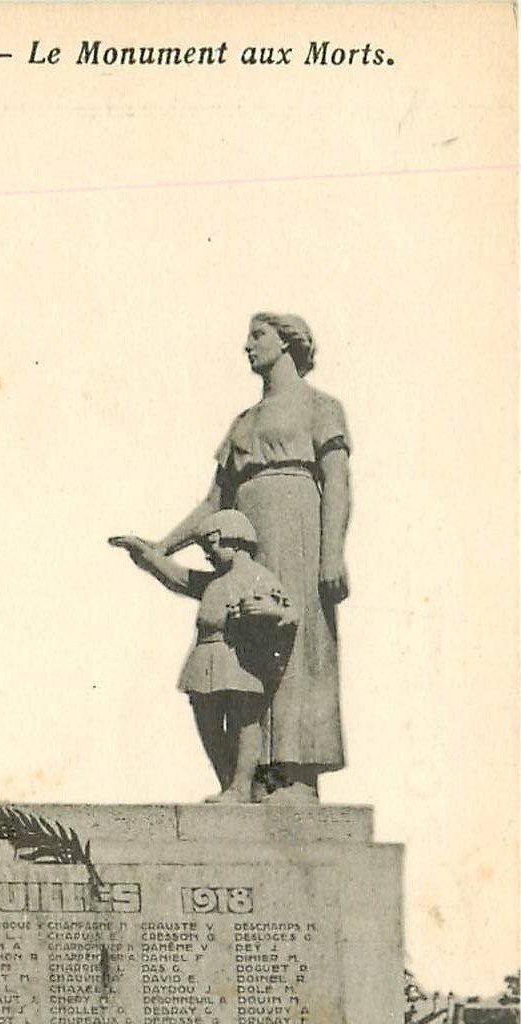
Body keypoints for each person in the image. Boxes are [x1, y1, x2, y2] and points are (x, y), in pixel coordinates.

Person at [114, 312, 350, 802]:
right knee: (243, 650)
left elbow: (339, 481)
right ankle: (249, 777)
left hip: (299, 529)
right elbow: (213, 502)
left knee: (296, 642)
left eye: (257, 335)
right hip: (246, 526)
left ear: (289, 343)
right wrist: (161, 548)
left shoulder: (320, 407)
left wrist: (332, 554)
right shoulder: (242, 423)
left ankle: (295, 773)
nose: (246, 346)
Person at [111, 510, 296, 802]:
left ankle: (240, 787)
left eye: (211, 546)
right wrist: (145, 555)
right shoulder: (213, 582)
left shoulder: (259, 578)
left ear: (235, 541)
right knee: (207, 723)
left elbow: (289, 615)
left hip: (239, 657)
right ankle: (228, 785)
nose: (207, 555)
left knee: (243, 722)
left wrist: (266, 611)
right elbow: (176, 577)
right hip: (204, 656)